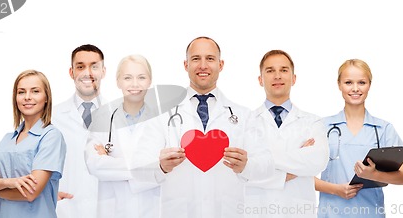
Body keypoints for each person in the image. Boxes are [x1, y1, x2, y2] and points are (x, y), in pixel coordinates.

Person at [130, 36, 273, 218]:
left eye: (210, 59)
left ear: (221, 65)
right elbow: (136, 167)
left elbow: (267, 165)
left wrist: (246, 166)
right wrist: (160, 166)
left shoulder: (244, 115)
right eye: (196, 59)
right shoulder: (162, 114)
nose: (203, 65)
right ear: (186, 65)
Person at [315, 59, 403, 218]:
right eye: (348, 82)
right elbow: (299, 175)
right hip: (331, 214)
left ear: (369, 85)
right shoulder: (321, 127)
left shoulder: (383, 129)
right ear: (339, 84)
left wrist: (374, 175)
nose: (355, 88)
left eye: (361, 82)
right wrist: (336, 190)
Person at [243, 50, 329, 218]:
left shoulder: (312, 122)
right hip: (257, 211)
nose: (277, 76)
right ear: (260, 80)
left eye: (283, 70)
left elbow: (319, 161)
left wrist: (259, 160)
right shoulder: (245, 122)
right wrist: (297, 164)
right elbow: (241, 173)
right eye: (270, 71)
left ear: (294, 78)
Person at [0, 70, 66, 218]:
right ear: (15, 98)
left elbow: (30, 193)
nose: (27, 97)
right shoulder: (7, 140)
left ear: (46, 97)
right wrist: (8, 182)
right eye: (21, 92)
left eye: (35, 91)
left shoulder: (51, 136)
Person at [84, 54, 160, 218]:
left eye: (141, 77)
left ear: (149, 81)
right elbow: (94, 164)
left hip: (151, 210)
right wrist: (148, 167)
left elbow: (164, 169)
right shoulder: (102, 119)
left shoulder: (162, 122)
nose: (134, 84)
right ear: (118, 81)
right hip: (113, 210)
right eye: (127, 78)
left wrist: (110, 162)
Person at [53, 44, 106, 218]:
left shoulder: (120, 116)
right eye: (80, 66)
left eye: (94, 66)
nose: (87, 73)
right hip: (65, 210)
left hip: (107, 208)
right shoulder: (53, 117)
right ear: (71, 72)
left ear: (103, 72)